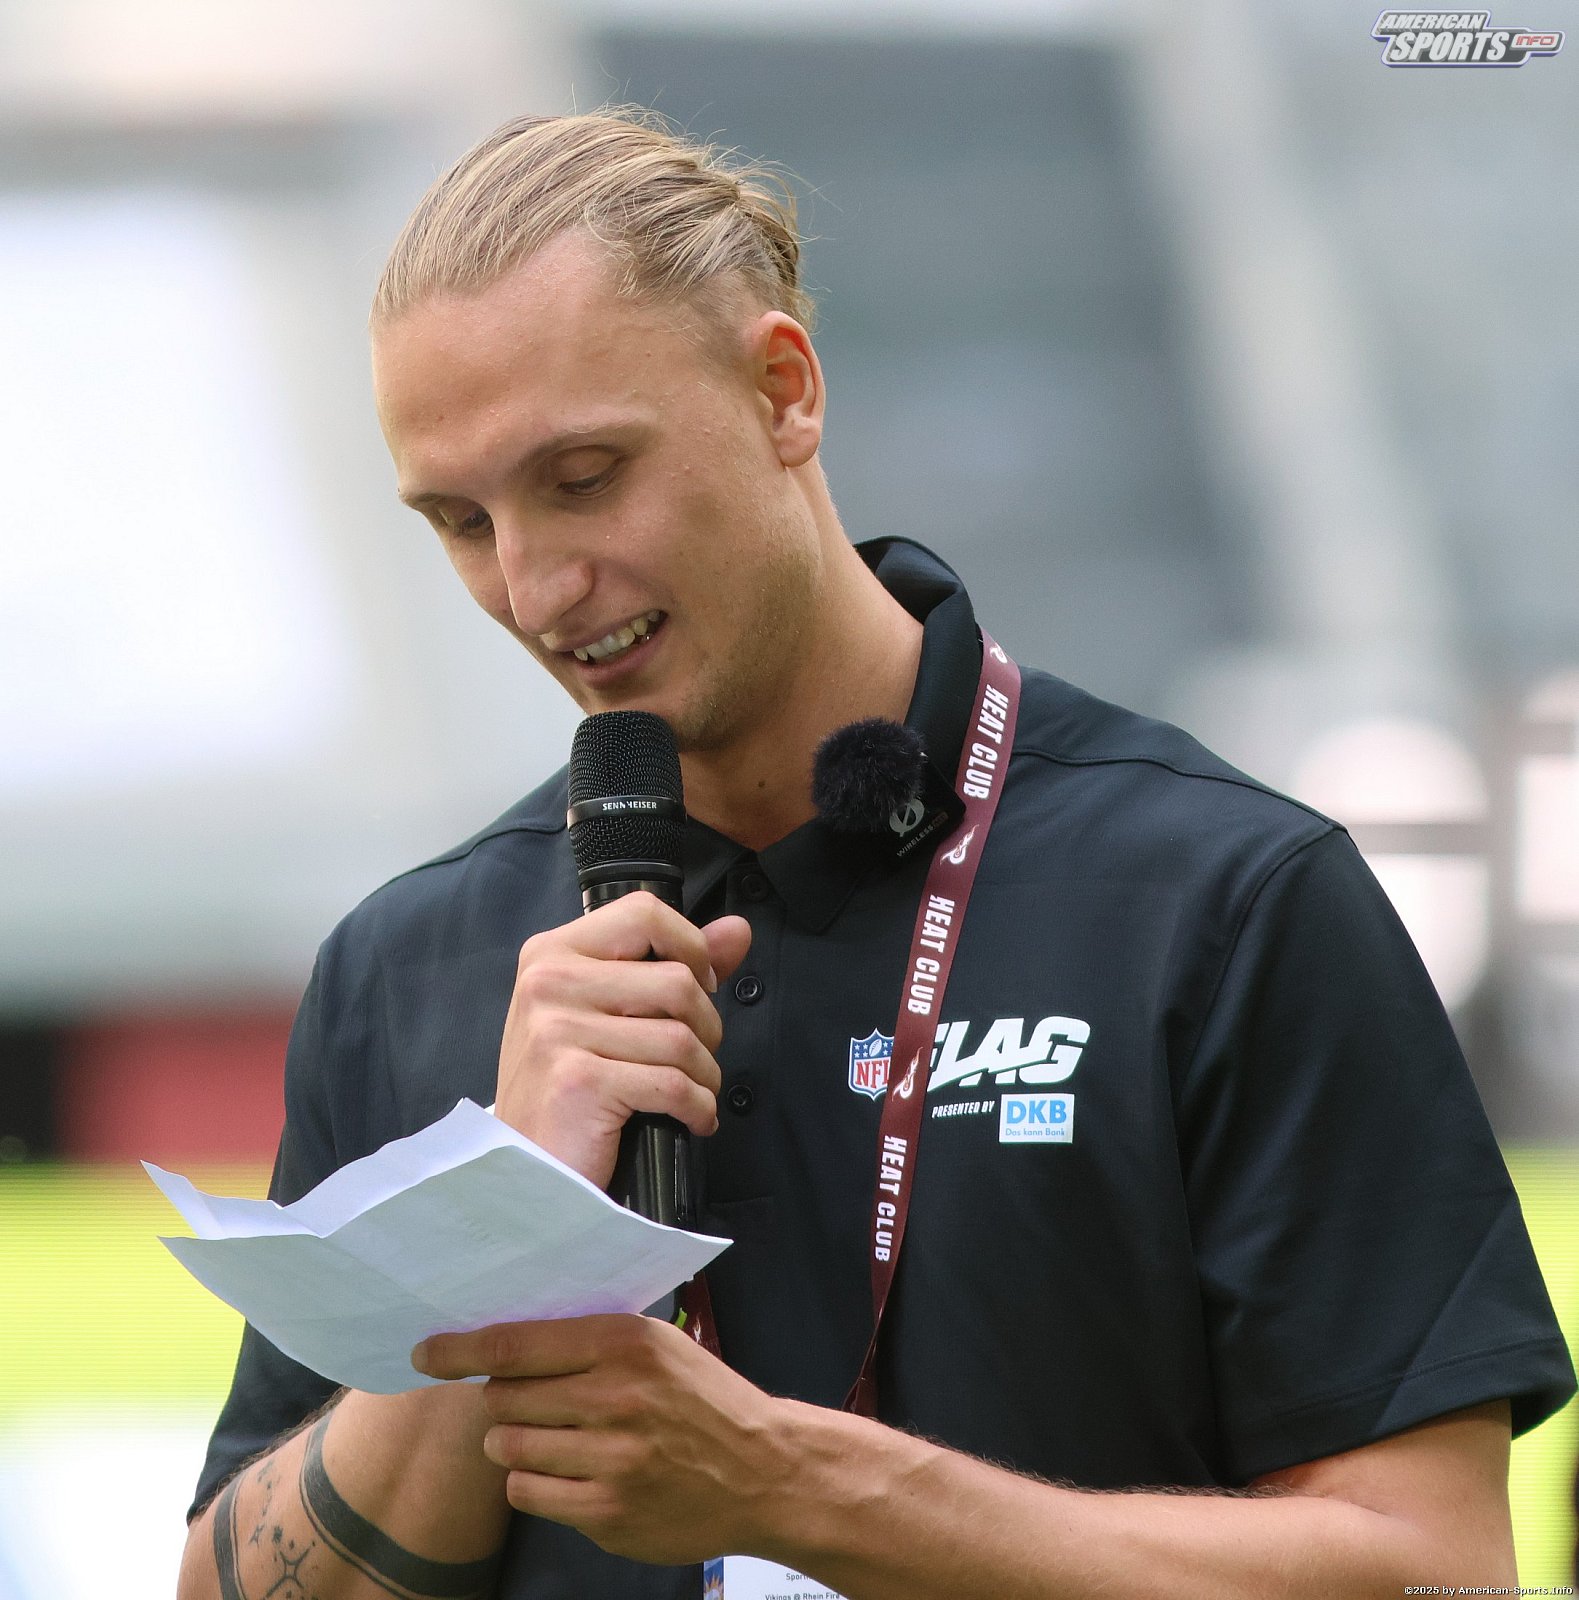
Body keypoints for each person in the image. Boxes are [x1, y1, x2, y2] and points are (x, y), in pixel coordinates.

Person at [177, 105, 1575, 1600]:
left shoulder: (1217, 900)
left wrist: (791, 1487)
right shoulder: (408, 966)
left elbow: (1439, 1572)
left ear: (783, 391)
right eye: (461, 520)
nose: (534, 587)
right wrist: (499, 1222)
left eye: (584, 476)